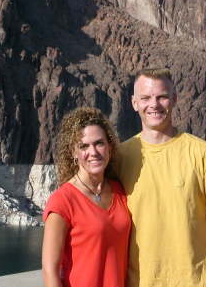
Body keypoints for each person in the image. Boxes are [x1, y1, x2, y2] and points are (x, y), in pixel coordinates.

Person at [118, 68, 206, 287]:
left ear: (174, 100)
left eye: (162, 97)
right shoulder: (120, 157)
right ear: (134, 103)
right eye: (145, 98)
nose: (153, 105)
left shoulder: (204, 154)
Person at [42, 107, 131, 287]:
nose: (93, 152)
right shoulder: (63, 200)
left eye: (99, 143)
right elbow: (50, 269)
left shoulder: (120, 191)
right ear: (74, 153)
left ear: (110, 147)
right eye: (83, 146)